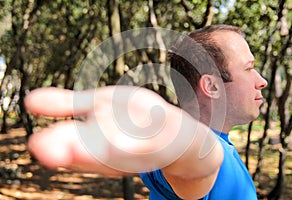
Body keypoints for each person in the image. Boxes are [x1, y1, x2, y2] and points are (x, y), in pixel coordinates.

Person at [25, 24, 267, 200]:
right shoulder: (203, 154)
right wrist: (176, 139)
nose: (261, 81)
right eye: (249, 69)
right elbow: (196, 163)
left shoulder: (222, 148)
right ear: (211, 86)